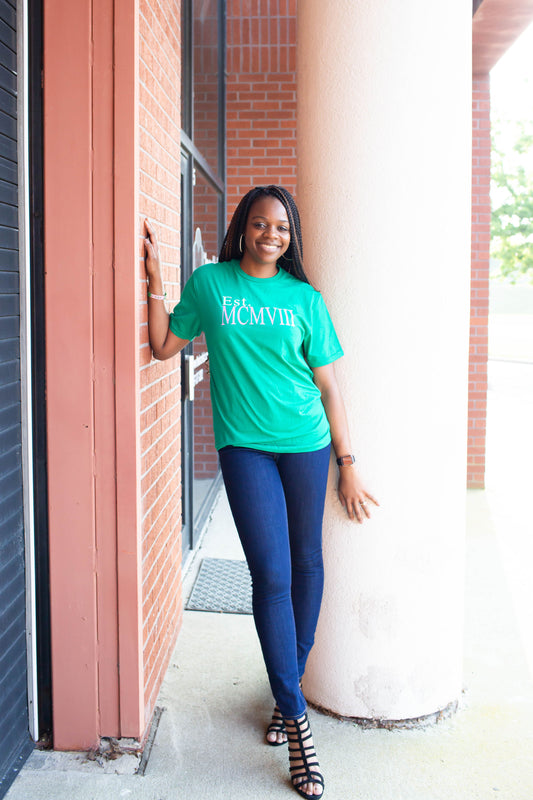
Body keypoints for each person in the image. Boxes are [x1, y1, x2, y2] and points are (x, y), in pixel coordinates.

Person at [143, 185, 378, 799]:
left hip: (306, 444)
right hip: (244, 449)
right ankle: (298, 722)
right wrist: (154, 283)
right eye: (259, 224)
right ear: (243, 228)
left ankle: (284, 692)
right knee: (271, 575)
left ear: (290, 236)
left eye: (281, 227)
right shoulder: (211, 285)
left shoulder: (305, 299)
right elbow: (167, 345)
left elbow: (328, 387)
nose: (270, 234)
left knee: (307, 563)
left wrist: (347, 462)